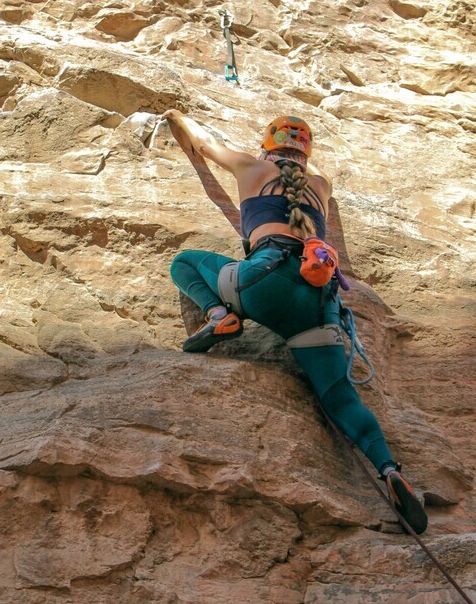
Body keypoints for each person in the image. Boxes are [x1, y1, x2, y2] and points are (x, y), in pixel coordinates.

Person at [164, 111, 428, 535]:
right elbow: (320, 177)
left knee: (185, 262)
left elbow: (203, 144)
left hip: (262, 280)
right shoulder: (320, 186)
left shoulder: (250, 167)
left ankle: (220, 316)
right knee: (339, 397)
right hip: (317, 299)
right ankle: (388, 468)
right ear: (307, 153)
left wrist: (178, 116)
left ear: (267, 146)